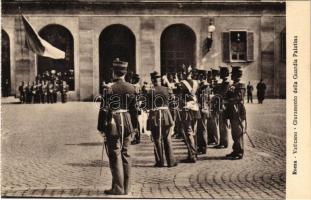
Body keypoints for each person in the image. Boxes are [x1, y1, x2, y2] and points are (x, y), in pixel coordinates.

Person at [97, 58, 136, 195]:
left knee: (114, 154)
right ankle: (126, 187)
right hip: (127, 122)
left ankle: (118, 188)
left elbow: (103, 109)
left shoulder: (109, 88)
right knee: (126, 154)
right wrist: (135, 127)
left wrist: (101, 127)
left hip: (113, 122)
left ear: (114, 72)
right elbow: (134, 110)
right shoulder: (132, 88)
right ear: (124, 73)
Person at [146, 71, 177, 167]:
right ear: (160, 80)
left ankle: (160, 161)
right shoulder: (168, 89)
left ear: (152, 80)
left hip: (155, 116)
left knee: (157, 139)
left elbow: (147, 106)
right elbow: (173, 102)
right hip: (166, 115)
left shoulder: (150, 91)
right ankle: (171, 162)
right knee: (167, 139)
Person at [177, 66, 200, 163]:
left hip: (187, 110)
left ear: (184, 73)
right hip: (195, 109)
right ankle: (195, 153)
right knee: (194, 132)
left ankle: (192, 155)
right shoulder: (196, 83)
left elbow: (179, 98)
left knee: (188, 132)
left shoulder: (181, 84)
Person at [226, 66, 246, 160]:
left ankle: (240, 152)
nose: (231, 76)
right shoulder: (233, 85)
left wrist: (228, 100)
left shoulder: (241, 85)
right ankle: (235, 150)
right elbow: (229, 95)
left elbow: (238, 98)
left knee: (238, 132)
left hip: (237, 110)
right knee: (234, 132)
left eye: (233, 74)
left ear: (237, 75)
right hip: (232, 110)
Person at [213, 67, 230, 149]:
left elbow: (223, 94)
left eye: (221, 73)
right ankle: (222, 142)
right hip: (220, 105)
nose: (220, 75)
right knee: (221, 125)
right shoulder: (223, 82)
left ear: (224, 74)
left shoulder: (226, 83)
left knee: (223, 125)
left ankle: (225, 142)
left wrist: (216, 95)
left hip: (223, 106)